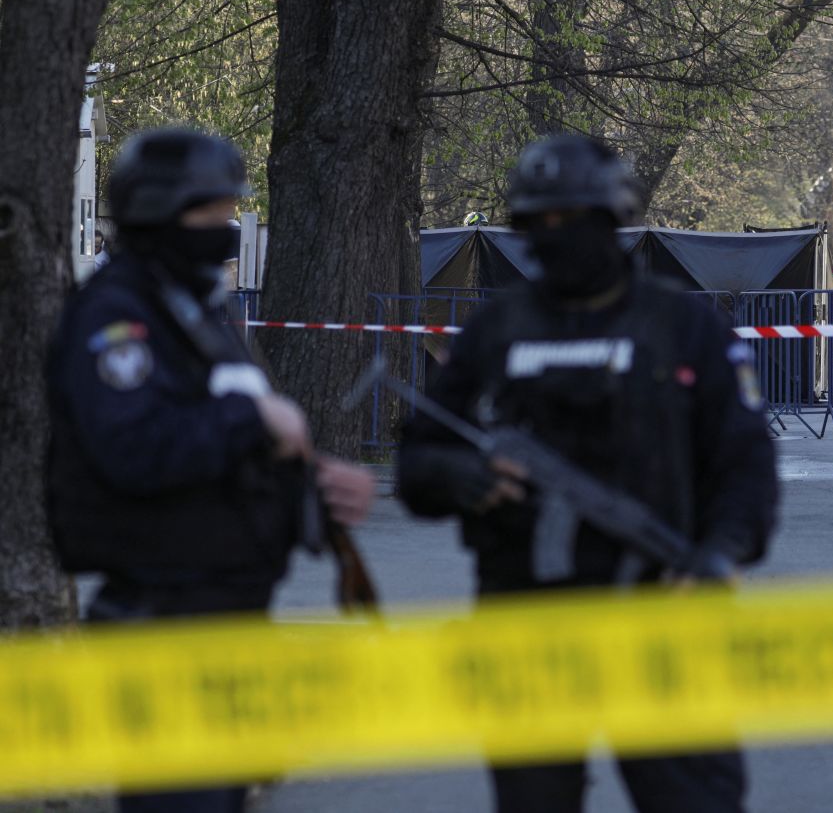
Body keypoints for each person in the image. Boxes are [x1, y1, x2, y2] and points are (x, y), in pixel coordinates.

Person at [397, 134, 778, 813]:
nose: (555, 236)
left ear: (610, 222)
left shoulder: (683, 326)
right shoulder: (497, 331)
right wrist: (465, 477)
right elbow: (419, 461)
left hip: (664, 614)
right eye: (538, 224)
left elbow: (744, 462)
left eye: (571, 220)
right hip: (527, 624)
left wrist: (721, 551)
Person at [45, 127, 375, 813]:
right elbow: (135, 449)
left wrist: (312, 481)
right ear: (159, 211)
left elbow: (224, 438)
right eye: (213, 212)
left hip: (226, 620)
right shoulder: (117, 314)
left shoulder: (198, 307)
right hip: (164, 631)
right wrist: (256, 422)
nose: (227, 227)